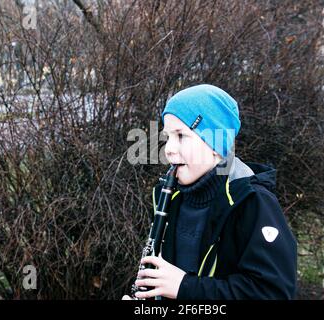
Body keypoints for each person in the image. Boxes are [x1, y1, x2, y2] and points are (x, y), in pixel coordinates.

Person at [123, 84, 297, 300]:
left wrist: (185, 287)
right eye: (168, 137)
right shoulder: (168, 197)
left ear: (215, 143)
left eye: (181, 136)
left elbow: (273, 293)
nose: (168, 148)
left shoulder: (253, 202)